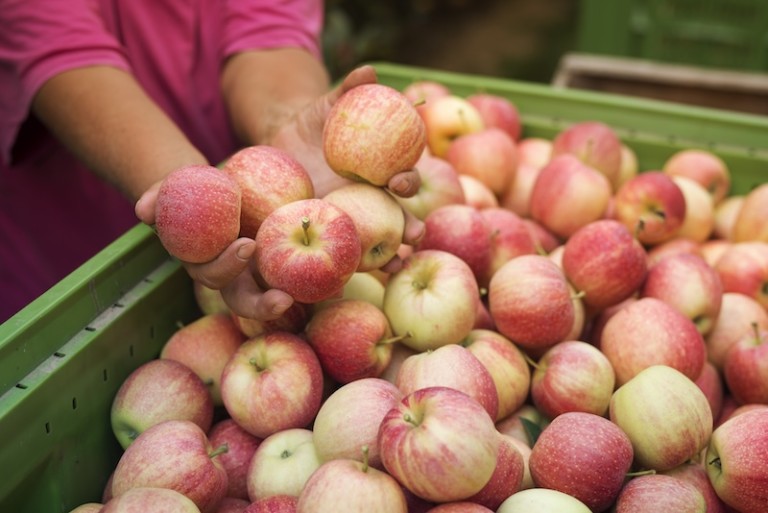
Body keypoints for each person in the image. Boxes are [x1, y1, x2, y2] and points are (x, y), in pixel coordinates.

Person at [0, 0, 423, 324]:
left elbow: (269, 30)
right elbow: (60, 53)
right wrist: (190, 190)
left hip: (242, 208)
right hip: (71, 244)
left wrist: (284, 122)